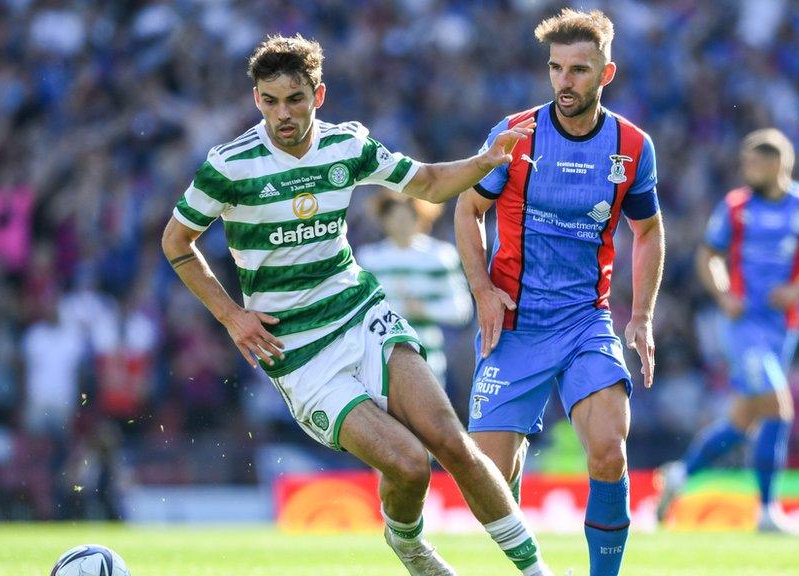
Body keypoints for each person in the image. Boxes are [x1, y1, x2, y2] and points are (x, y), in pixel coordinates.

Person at [160, 34, 552, 576]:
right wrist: (231, 315)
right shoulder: (230, 166)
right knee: (411, 466)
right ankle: (409, 545)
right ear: (256, 101)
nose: (283, 114)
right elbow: (176, 241)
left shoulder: (348, 145)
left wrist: (486, 160)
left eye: (294, 99)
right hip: (297, 352)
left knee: (452, 442)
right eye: (269, 101)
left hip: (360, 315)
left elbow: (431, 185)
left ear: (318, 95)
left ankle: (537, 573)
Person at [454, 10, 664, 576]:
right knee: (490, 483)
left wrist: (641, 316)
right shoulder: (516, 135)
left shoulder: (631, 146)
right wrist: (482, 290)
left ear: (606, 72)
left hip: (584, 322)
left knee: (608, 448)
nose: (564, 82)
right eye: (556, 69)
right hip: (515, 321)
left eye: (578, 70)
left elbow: (647, 231)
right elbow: (469, 208)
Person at [655, 128, 799, 533]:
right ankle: (766, 511)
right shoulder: (736, 206)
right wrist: (724, 293)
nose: (747, 170)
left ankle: (680, 474)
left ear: (777, 164)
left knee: (743, 420)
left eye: (754, 163)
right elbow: (708, 256)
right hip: (742, 326)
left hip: (783, 327)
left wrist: (798, 289)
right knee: (779, 407)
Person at [357, 191, 472, 388]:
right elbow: (359, 310)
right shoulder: (369, 258)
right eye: (394, 216)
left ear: (421, 217)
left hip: (428, 356)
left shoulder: (441, 256)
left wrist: (424, 309)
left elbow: (462, 310)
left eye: (407, 216)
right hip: (378, 358)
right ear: (383, 220)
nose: (401, 222)